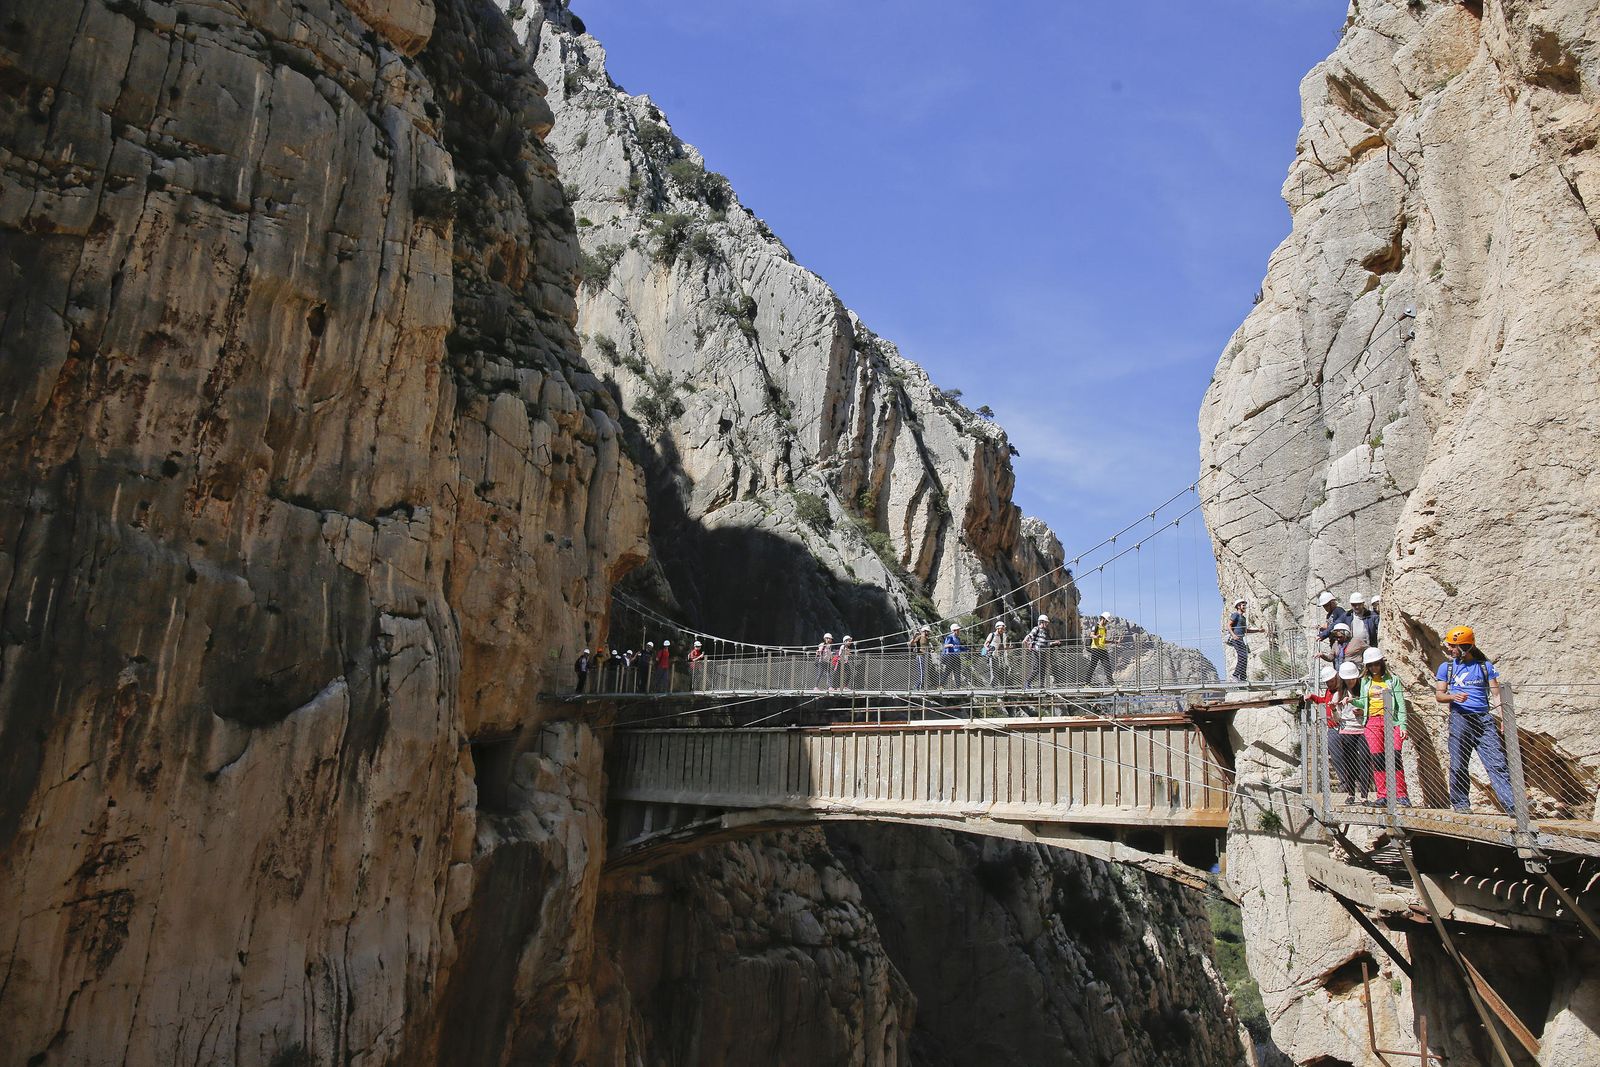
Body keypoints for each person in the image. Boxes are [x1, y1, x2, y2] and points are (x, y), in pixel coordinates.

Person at [1435, 625, 1515, 813]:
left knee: (1497, 763)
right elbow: (1439, 695)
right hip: (1459, 718)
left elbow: (1496, 694)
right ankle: (1461, 804)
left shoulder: (1484, 666)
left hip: (1483, 719)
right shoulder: (1446, 668)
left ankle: (1513, 805)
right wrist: (1453, 697)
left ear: (1466, 646)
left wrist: (1505, 718)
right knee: (1458, 763)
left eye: (1454, 646)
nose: (1450, 649)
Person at [1354, 647, 1410, 806]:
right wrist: (1351, 701)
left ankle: (1401, 794)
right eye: (1370, 665)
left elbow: (1400, 704)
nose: (1373, 668)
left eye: (1375, 664)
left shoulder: (1393, 680)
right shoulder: (1365, 681)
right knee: (1378, 759)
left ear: (1381, 663)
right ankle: (1383, 795)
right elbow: (1364, 702)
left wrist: (1403, 725)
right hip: (1372, 721)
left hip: (1391, 721)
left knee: (1395, 757)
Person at [1332, 661, 1370, 803]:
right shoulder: (1339, 694)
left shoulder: (1364, 691)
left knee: (1365, 760)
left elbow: (1370, 708)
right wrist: (1334, 709)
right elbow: (1337, 719)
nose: (1351, 681)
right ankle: (1351, 794)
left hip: (1363, 729)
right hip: (1347, 729)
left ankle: (1365, 795)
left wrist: (1362, 711)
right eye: (1348, 679)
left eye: (1353, 679)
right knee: (1349, 762)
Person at [1223, 598, 1263, 681]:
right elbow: (1229, 625)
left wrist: (1258, 630)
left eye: (1245, 605)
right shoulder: (1235, 615)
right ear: (1238, 606)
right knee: (1242, 656)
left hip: (1242, 638)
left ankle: (1243, 678)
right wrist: (1233, 635)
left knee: (1245, 657)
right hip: (1236, 638)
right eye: (1243, 605)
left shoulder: (1243, 618)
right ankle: (1235, 675)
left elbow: (1245, 630)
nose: (1245, 607)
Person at [1023, 614, 1054, 689]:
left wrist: (1055, 643)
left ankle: (1041, 685)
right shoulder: (1036, 629)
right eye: (1046, 622)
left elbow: (1047, 643)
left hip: (1043, 652)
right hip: (1036, 651)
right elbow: (1030, 635)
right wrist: (1026, 640)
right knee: (1036, 668)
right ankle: (1027, 683)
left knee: (1043, 669)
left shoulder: (1046, 632)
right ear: (1041, 622)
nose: (1047, 624)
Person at [1085, 612, 1113, 686]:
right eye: (1106, 621)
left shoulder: (1104, 629)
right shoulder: (1096, 626)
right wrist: (1096, 636)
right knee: (1092, 666)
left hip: (1103, 649)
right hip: (1096, 649)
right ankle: (1087, 684)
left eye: (1107, 621)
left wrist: (1113, 641)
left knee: (1108, 667)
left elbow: (1103, 641)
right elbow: (1091, 635)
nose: (1107, 622)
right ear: (1103, 619)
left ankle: (1112, 683)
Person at [983, 622, 1010, 686]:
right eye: (1002, 629)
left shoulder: (1001, 636)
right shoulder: (992, 634)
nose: (1003, 630)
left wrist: (1007, 648)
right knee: (993, 670)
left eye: (1003, 629)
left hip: (996, 655)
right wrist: (988, 649)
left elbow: (999, 647)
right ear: (997, 628)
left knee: (996, 670)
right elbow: (985, 644)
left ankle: (993, 685)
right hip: (991, 655)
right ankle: (993, 685)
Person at [940, 623, 966, 689]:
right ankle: (941, 686)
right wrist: (950, 645)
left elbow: (959, 648)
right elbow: (945, 646)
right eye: (958, 630)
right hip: (950, 657)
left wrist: (967, 649)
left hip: (957, 656)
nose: (959, 631)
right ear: (954, 630)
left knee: (957, 672)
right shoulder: (949, 637)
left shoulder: (958, 639)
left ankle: (958, 687)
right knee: (947, 671)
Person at [909, 625, 931, 689]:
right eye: (928, 631)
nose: (928, 633)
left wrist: (930, 650)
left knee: (924, 673)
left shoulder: (927, 638)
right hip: (920, 656)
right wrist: (914, 636)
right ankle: (917, 687)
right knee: (922, 673)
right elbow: (911, 644)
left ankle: (918, 687)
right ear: (924, 631)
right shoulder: (919, 637)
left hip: (926, 657)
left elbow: (926, 647)